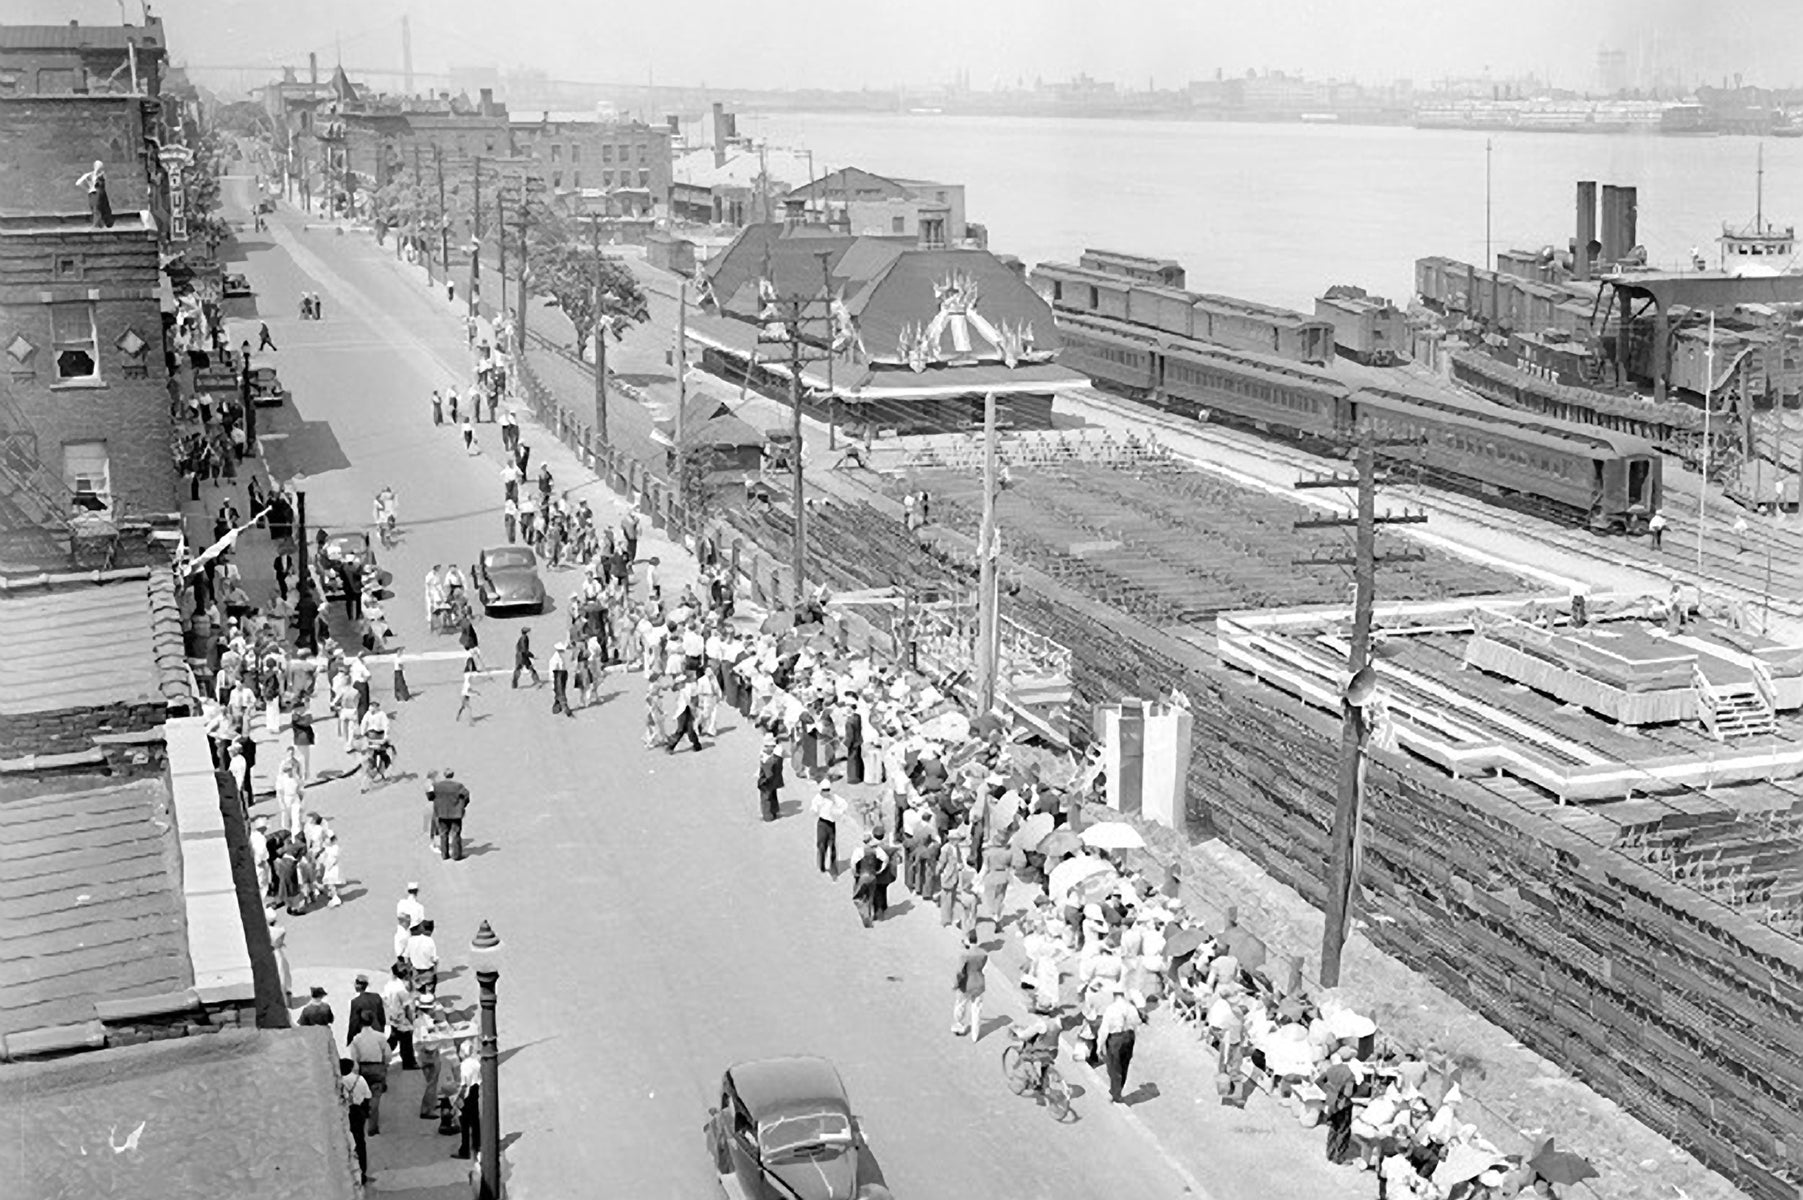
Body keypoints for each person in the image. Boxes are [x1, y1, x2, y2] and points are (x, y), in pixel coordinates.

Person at [1099, 983, 1141, 1104]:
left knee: (1113, 1065)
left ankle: (1115, 1092)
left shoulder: (1111, 1009)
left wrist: (1099, 1045)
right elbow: (1137, 1022)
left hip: (1115, 1038)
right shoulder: (1130, 1007)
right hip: (1128, 1037)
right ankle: (1118, 1089)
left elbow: (1104, 1029)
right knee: (1124, 1064)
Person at [348, 1018, 390, 1135]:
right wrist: (385, 1066)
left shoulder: (356, 1039)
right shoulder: (380, 1037)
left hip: (364, 1069)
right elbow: (387, 1055)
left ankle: (365, 1114)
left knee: (364, 1095)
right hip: (377, 1069)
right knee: (376, 1097)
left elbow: (354, 1059)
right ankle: (373, 1126)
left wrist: (356, 1073)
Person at [951, 928, 988, 1040]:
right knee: (976, 1009)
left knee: (960, 1005)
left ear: (968, 940)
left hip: (966, 983)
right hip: (979, 982)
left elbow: (960, 971)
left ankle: (959, 1025)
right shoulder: (983, 953)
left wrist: (956, 983)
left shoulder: (965, 955)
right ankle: (975, 1035)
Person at [340, 1057, 372, 1184]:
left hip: (345, 1112)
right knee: (359, 1141)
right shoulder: (359, 1079)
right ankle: (361, 1171)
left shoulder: (338, 1081)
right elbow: (368, 1095)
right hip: (358, 1112)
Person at [383, 961, 418, 1070]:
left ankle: (381, 1055)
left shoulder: (390, 984)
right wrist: (411, 1021)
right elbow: (408, 1007)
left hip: (392, 1015)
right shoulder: (402, 989)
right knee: (406, 1041)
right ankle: (408, 1063)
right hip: (402, 1017)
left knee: (394, 1037)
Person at [432, 771, 471, 861]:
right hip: (455, 813)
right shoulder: (458, 786)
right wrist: (462, 805)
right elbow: (466, 795)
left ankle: (444, 854)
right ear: (452, 775)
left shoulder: (437, 786)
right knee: (455, 834)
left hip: (441, 813)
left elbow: (430, 796)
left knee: (443, 834)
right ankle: (456, 855)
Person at [812, 779, 847, 877]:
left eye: (827, 790)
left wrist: (838, 812)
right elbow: (814, 808)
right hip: (822, 823)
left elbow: (844, 805)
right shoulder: (817, 799)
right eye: (824, 790)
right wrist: (816, 810)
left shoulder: (834, 798)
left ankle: (833, 868)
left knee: (833, 847)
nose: (826, 792)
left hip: (831, 824)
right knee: (821, 845)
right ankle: (821, 865)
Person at [665, 673, 703, 751]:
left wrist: (694, 706)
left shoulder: (689, 687)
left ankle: (672, 745)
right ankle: (696, 745)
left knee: (686, 730)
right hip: (682, 711)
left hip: (688, 711)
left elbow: (694, 698)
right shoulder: (679, 691)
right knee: (684, 730)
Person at [405, 920, 440, 996]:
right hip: (428, 972)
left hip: (415, 972)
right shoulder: (430, 941)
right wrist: (436, 965)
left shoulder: (411, 940)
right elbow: (433, 959)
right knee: (430, 992)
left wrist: (409, 972)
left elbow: (406, 957)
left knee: (418, 992)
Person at [347, 972, 386, 1039]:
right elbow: (382, 1018)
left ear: (356, 985)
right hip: (377, 1033)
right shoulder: (377, 997)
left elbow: (353, 1023)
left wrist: (350, 1040)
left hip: (363, 1036)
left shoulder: (356, 1002)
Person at [76, 160, 114, 228]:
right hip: (96, 194)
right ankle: (98, 225)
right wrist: (87, 189)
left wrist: (87, 189)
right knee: (97, 209)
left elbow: (78, 183)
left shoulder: (99, 174)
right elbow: (78, 183)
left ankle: (101, 224)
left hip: (97, 194)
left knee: (100, 209)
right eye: (99, 166)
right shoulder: (93, 175)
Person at [757, 733, 784, 822]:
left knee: (765, 798)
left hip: (766, 781)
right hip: (774, 781)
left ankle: (767, 816)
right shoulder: (777, 756)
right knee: (773, 796)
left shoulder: (767, 758)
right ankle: (774, 811)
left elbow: (767, 771)